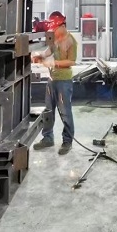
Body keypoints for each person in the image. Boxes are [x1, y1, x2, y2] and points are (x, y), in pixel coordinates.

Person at [32, 11, 77, 155]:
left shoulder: (71, 41)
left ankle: (67, 141)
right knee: (48, 111)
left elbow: (71, 61)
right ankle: (48, 138)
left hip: (64, 81)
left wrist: (53, 63)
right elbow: (50, 50)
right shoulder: (55, 39)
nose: (54, 31)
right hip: (52, 80)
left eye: (55, 28)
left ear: (62, 25)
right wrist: (40, 56)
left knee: (65, 112)